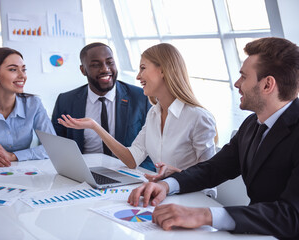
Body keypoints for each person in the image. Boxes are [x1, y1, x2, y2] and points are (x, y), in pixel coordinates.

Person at [127, 37, 299, 239]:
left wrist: (204, 215)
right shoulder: (252, 125)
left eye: (244, 77)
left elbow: (291, 216)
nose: (237, 83)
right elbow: (213, 169)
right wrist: (167, 185)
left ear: (268, 84)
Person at [58, 43, 217, 179]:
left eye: (143, 68)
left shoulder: (197, 117)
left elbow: (210, 176)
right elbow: (132, 159)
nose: (138, 76)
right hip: (164, 193)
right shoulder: (154, 114)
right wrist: (94, 126)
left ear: (163, 71)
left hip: (192, 199)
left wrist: (177, 177)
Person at [52, 42, 155, 171]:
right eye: (96, 65)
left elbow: (153, 150)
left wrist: (142, 175)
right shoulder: (66, 100)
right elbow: (56, 146)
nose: (105, 69)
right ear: (83, 70)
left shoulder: (141, 97)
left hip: (130, 171)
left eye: (110, 62)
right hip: (85, 172)